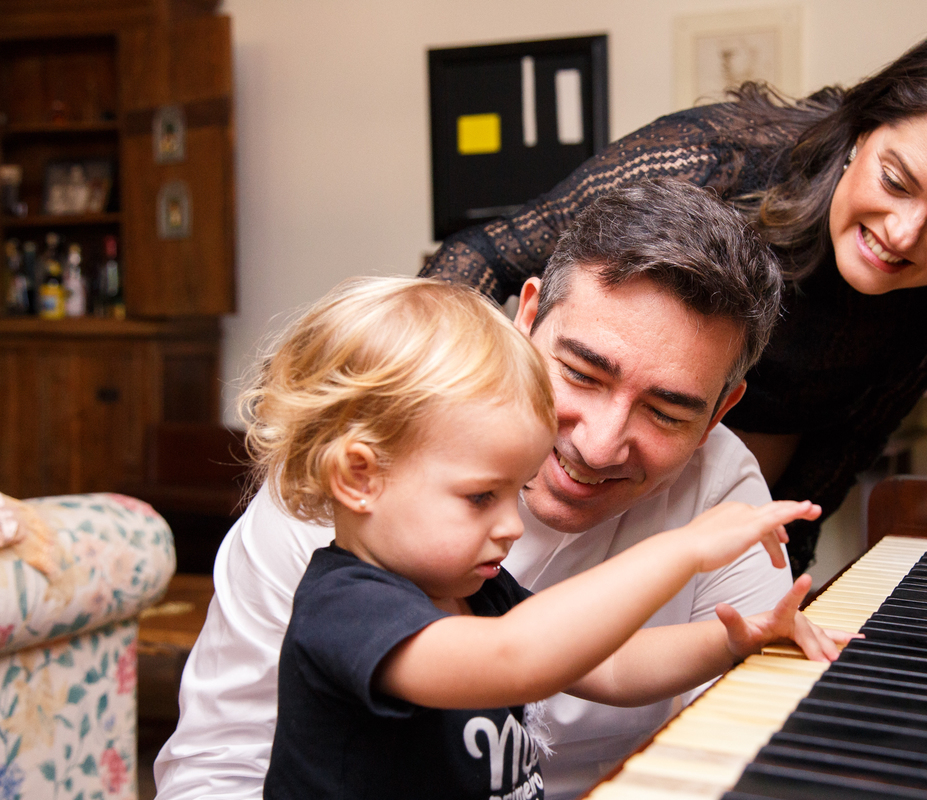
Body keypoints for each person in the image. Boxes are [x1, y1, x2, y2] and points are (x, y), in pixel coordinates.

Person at [155, 180, 842, 800]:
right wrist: (683, 553)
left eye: (666, 411)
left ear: (718, 413)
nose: (597, 445)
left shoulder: (475, 582)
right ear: (530, 317)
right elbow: (519, 659)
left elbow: (612, 663)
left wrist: (733, 640)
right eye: (582, 373)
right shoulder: (346, 593)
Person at [421, 20, 927, 576]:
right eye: (895, 181)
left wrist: (768, 622)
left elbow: (808, 500)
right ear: (863, 132)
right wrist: (447, 442)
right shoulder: (718, 156)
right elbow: (477, 258)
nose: (902, 235)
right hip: (539, 472)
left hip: (697, 518)